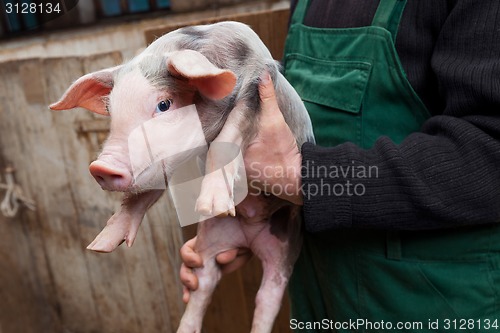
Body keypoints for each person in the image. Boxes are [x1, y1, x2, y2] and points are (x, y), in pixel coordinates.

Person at [180, 0, 500, 330]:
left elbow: (490, 152)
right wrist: (260, 216)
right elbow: (303, 118)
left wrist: (307, 178)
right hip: (322, 298)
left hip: (431, 303)